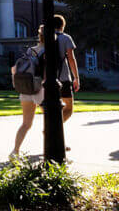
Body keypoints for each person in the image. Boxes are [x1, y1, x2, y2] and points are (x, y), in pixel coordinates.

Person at [11, 24, 51, 158]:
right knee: (51, 121)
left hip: (26, 88)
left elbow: (14, 69)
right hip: (41, 89)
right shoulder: (50, 50)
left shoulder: (31, 50)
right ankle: (52, 150)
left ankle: (15, 151)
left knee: (26, 123)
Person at [49, 15, 80, 125]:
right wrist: (76, 78)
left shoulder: (45, 38)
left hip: (47, 79)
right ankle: (54, 129)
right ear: (63, 25)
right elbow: (71, 59)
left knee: (51, 108)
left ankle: (51, 129)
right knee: (68, 109)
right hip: (63, 78)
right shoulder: (66, 38)